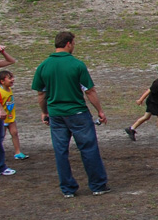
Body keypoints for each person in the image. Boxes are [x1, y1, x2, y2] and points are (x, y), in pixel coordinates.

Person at [31, 31, 109, 197]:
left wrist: (44, 112)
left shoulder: (43, 66)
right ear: (68, 43)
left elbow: (41, 94)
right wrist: (100, 111)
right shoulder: (77, 64)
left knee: (60, 151)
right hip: (77, 112)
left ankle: (67, 189)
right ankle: (97, 185)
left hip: (56, 114)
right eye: (73, 43)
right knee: (88, 149)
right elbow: (89, 91)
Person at [125, 63, 158, 141]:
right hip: (152, 102)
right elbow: (149, 91)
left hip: (155, 102)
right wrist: (141, 100)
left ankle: (131, 129)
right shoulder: (157, 83)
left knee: (146, 117)